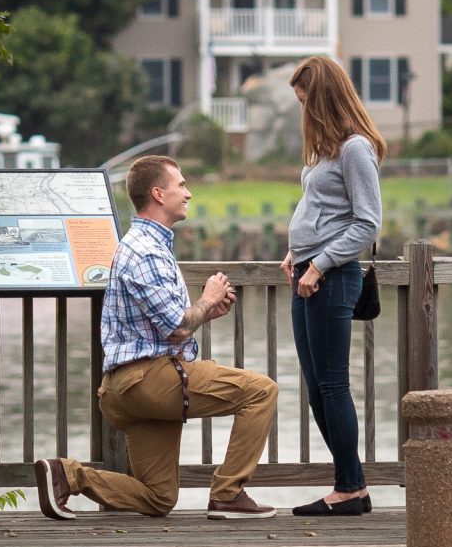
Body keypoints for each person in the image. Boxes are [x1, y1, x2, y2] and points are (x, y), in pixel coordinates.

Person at [35, 155, 278, 520]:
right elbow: (177, 328)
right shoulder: (146, 250)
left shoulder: (146, 245)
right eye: (181, 185)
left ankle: (68, 475)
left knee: (158, 497)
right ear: (158, 193)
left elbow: (163, 325)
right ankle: (228, 493)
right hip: (149, 380)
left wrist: (207, 312)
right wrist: (207, 297)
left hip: (128, 388)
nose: (189, 193)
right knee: (261, 391)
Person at [280, 55, 385, 516]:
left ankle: (350, 488)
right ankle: (351, 485)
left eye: (306, 102)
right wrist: (296, 252)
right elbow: (321, 209)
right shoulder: (326, 149)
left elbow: (367, 224)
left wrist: (319, 264)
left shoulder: (355, 148)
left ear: (323, 98)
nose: (302, 110)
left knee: (333, 386)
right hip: (307, 273)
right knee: (316, 390)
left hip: (332, 278)